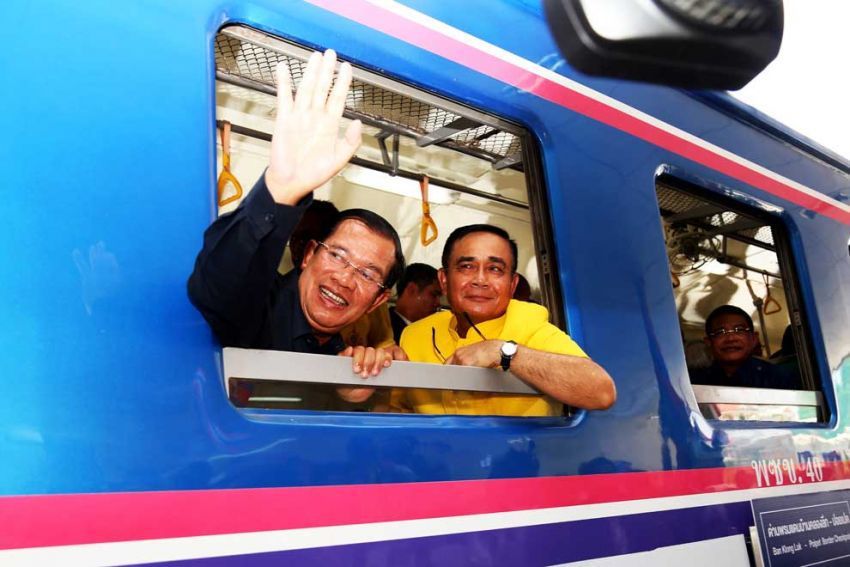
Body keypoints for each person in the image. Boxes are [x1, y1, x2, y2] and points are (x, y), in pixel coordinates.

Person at [188, 50, 406, 409]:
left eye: (368, 274)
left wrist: (353, 396)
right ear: (307, 255)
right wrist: (280, 192)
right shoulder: (257, 305)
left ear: (379, 300)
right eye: (337, 255)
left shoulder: (340, 354)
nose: (345, 279)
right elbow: (217, 286)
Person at [389, 224, 616, 416]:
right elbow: (398, 410)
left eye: (495, 269)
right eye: (467, 266)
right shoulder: (414, 334)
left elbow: (602, 391)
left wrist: (504, 353)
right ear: (444, 279)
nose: (480, 280)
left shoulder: (530, 326)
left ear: (512, 285)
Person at [690, 305, 794, 388]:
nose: (731, 338)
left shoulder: (777, 377)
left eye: (739, 330)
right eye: (720, 332)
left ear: (754, 338)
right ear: (708, 342)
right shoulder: (695, 382)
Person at [389, 263, 442, 343]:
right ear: (412, 289)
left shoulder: (432, 332)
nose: (438, 303)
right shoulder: (385, 331)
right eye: (434, 295)